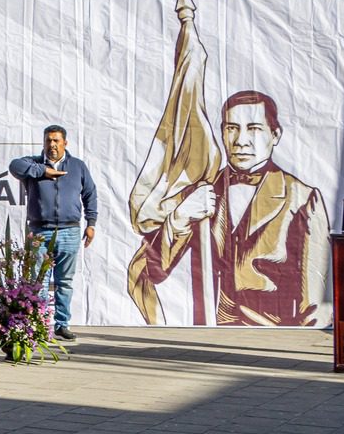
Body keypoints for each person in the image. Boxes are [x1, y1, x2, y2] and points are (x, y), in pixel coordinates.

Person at [132, 92, 330, 326]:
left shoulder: (302, 197)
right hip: (207, 334)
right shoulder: (201, 193)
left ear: (275, 135)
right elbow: (155, 271)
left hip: (272, 336)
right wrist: (179, 218)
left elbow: (318, 303)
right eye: (231, 128)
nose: (240, 141)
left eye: (254, 128)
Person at [8, 126, 98, 341]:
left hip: (69, 230)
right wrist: (43, 172)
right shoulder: (33, 164)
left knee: (64, 281)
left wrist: (91, 223)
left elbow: (90, 195)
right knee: (38, 282)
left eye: (56, 141)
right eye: (48, 140)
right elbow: (14, 166)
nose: (52, 145)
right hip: (40, 230)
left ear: (65, 143)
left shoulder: (78, 166)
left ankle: (61, 324)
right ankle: (39, 324)